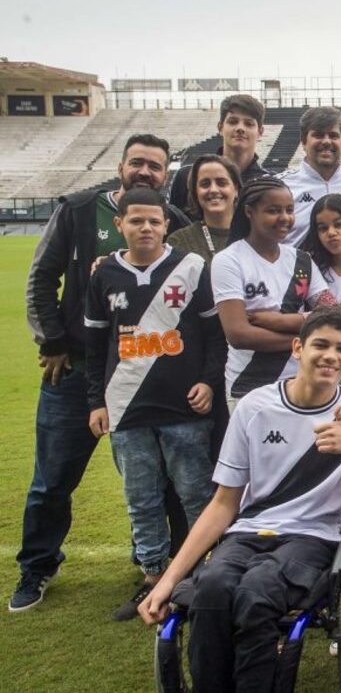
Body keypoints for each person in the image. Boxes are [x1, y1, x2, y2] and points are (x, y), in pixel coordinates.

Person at [137, 307, 341, 692]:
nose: (330, 356)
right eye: (320, 345)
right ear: (298, 348)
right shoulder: (255, 406)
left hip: (313, 537)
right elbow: (223, 503)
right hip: (248, 532)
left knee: (258, 592)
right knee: (213, 588)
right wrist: (168, 581)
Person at [14, 133, 189, 613]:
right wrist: (52, 340)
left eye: (155, 166)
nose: (145, 172)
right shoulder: (77, 210)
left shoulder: (172, 221)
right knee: (53, 477)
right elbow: (41, 277)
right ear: (120, 165)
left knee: (157, 478)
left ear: (166, 174)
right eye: (138, 163)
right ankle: (38, 566)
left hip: (145, 373)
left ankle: (157, 562)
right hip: (78, 370)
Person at [84, 188, 223, 620]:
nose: (146, 228)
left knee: (196, 496)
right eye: (137, 220)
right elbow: (94, 347)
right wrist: (96, 401)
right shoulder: (104, 273)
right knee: (140, 499)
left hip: (184, 408)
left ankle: (207, 577)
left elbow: (215, 336)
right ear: (120, 225)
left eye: (154, 221)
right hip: (126, 407)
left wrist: (207, 382)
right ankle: (152, 577)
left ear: (166, 225)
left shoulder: (191, 267)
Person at [211, 177, 337, 409]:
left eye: (289, 210)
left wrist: (284, 320)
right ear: (249, 212)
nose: (285, 218)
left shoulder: (302, 260)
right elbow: (239, 335)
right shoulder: (228, 261)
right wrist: (307, 342)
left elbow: (335, 317)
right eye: (273, 210)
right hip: (250, 385)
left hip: (303, 384)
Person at [279, 106, 341, 247]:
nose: (326, 141)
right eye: (318, 135)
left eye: (333, 135)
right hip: (293, 269)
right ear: (303, 142)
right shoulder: (281, 187)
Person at [168, 94, 267, 212]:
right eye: (233, 121)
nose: (240, 128)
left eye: (249, 124)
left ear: (260, 132)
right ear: (220, 127)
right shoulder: (186, 176)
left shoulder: (269, 182)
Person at [167, 154, 243, 264]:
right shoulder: (179, 242)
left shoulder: (256, 236)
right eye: (205, 184)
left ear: (235, 189)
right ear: (195, 192)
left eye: (221, 183)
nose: (213, 190)